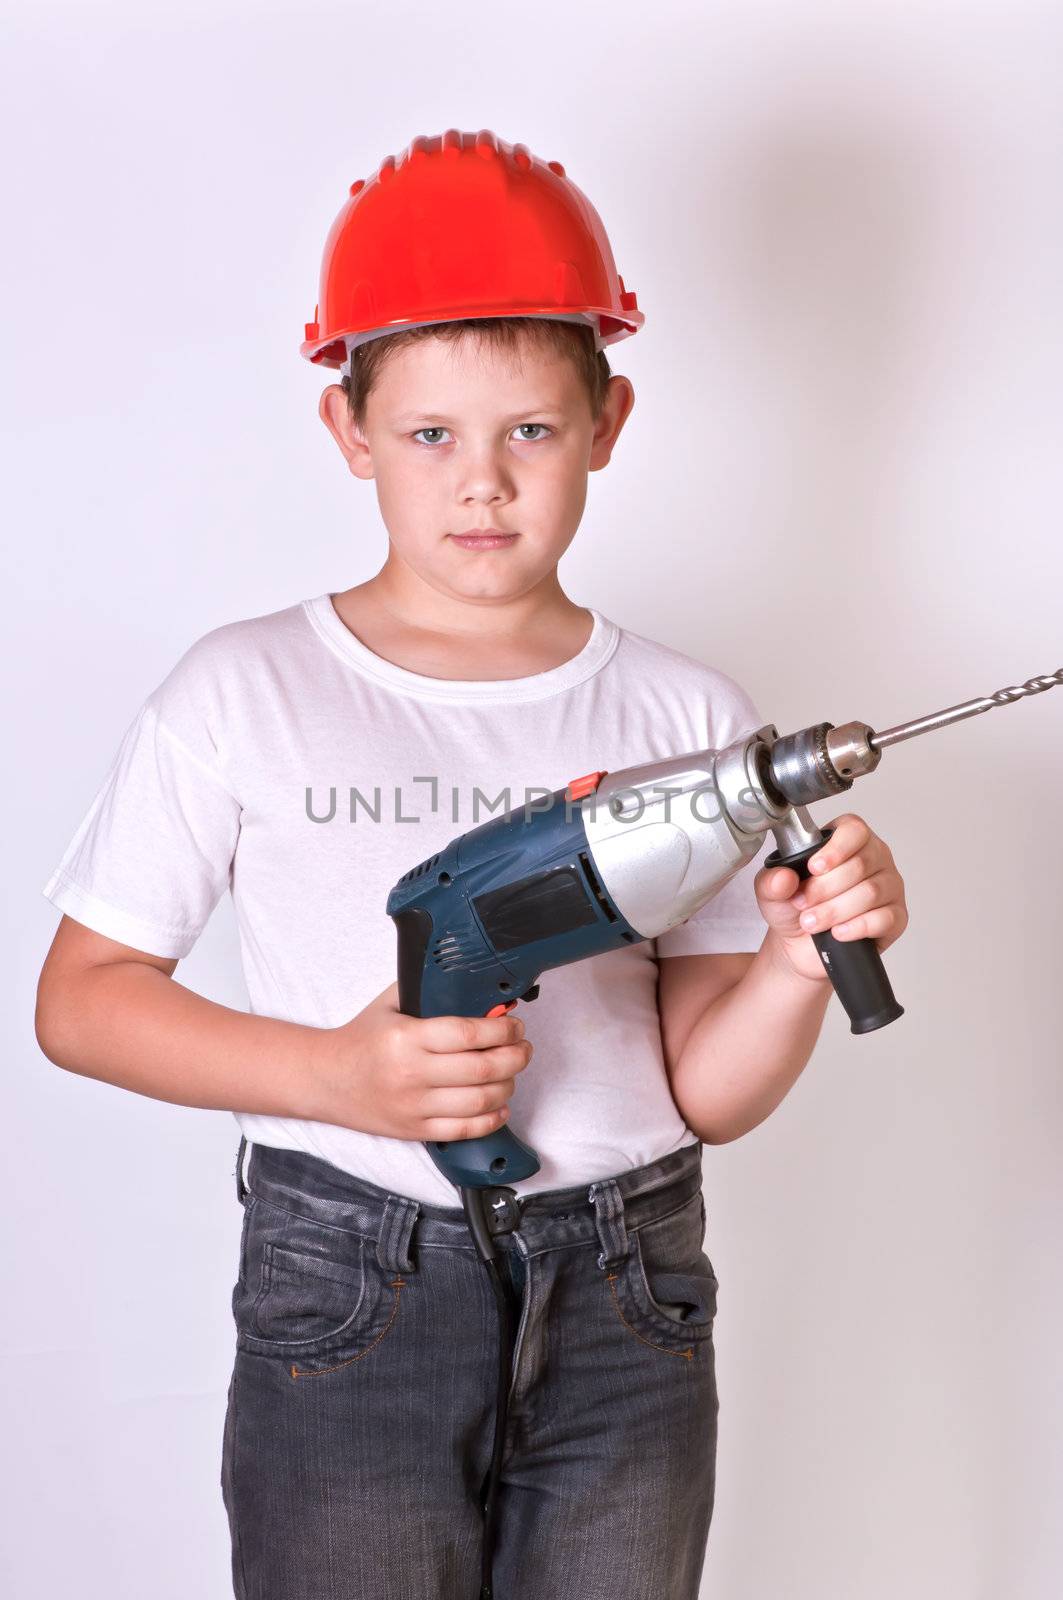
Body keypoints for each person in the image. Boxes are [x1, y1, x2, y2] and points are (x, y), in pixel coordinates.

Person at [34, 129, 909, 1600]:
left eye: (533, 432)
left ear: (609, 420)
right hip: (356, 1287)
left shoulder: (685, 718)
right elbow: (83, 1000)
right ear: (349, 432)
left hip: (628, 1293)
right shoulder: (243, 691)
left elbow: (703, 1089)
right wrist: (333, 1078)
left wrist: (788, 964)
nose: (484, 484)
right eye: (433, 434)